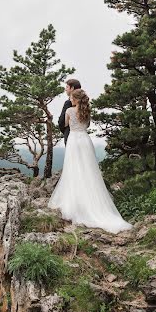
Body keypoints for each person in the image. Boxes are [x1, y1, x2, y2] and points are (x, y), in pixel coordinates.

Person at [48, 88, 133, 234]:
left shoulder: (69, 111)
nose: (70, 99)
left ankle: (76, 203)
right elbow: (86, 126)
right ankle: (93, 202)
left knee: (73, 170)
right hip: (85, 140)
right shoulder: (86, 111)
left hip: (74, 141)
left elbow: (66, 125)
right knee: (89, 171)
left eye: (71, 98)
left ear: (75, 99)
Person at [58, 78, 81, 145]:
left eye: (67, 87)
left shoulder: (68, 103)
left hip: (70, 135)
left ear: (72, 88)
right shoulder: (85, 104)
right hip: (83, 136)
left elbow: (61, 122)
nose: (65, 89)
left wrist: (65, 131)